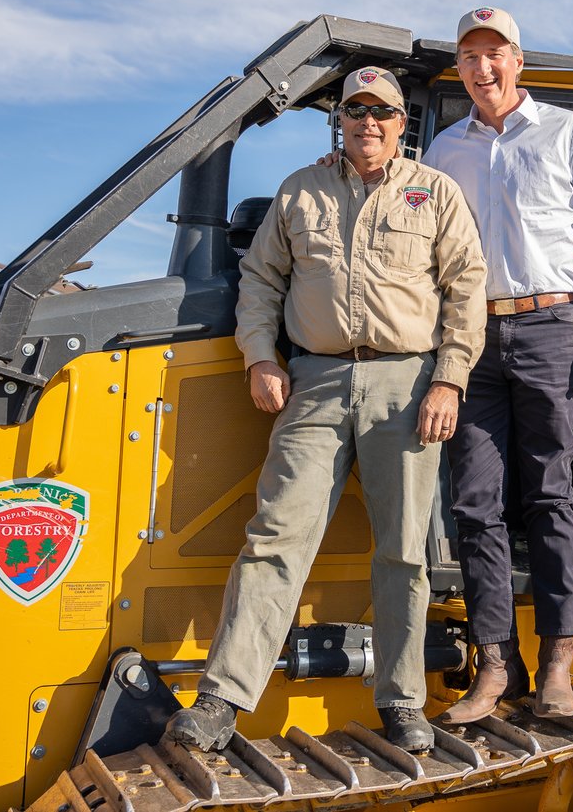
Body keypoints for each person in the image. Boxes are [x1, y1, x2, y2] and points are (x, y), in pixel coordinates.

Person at [165, 66, 487, 753]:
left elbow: (467, 291)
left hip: (407, 386)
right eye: (356, 110)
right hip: (314, 381)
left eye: (382, 112)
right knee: (275, 536)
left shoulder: (435, 193)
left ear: (402, 123)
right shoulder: (300, 190)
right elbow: (260, 280)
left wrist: (449, 381)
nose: (369, 122)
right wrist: (260, 357)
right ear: (339, 121)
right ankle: (222, 699)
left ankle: (402, 702)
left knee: (404, 551)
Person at [423, 8, 573, 723]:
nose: (482, 67)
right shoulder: (444, 149)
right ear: (459, 68)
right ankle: (495, 663)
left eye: (494, 53)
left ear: (517, 60)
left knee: (550, 493)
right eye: (469, 56)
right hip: (471, 335)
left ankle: (557, 663)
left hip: (551, 326)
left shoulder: (566, 131)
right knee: (474, 503)